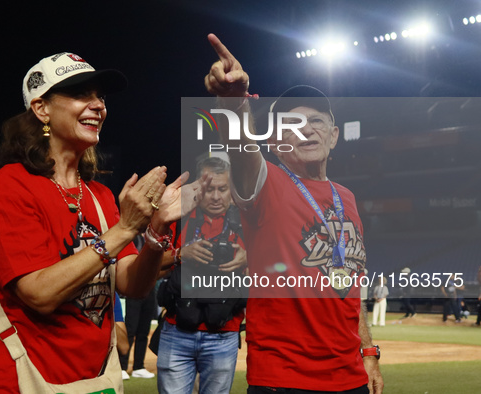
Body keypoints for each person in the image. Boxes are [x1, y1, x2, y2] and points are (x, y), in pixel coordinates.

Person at [0, 52, 185, 393]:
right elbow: (39, 293)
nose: (98, 106)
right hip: (13, 377)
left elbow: (131, 286)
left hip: (89, 378)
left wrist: (155, 231)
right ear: (41, 109)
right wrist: (124, 229)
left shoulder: (100, 195)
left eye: (101, 97)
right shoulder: (8, 185)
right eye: (81, 94)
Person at [203, 34, 383, 393]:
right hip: (284, 379)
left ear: (333, 136)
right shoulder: (265, 183)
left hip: (351, 378)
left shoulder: (346, 197)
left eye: (316, 121)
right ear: (273, 142)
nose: (306, 129)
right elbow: (241, 147)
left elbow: (351, 283)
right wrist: (233, 100)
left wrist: (368, 351)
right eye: (292, 124)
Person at [157, 156, 247, 394]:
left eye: (222, 189)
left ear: (232, 189)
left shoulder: (247, 223)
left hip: (224, 333)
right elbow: (149, 269)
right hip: (177, 330)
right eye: (209, 190)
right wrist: (180, 254)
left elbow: (279, 270)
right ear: (197, 188)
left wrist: (251, 258)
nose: (216, 197)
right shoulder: (178, 219)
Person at [120, 233, 157, 380]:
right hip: (134, 288)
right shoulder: (134, 237)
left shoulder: (154, 238)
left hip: (150, 288)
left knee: (144, 331)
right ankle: (122, 367)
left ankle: (138, 366)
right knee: (130, 329)